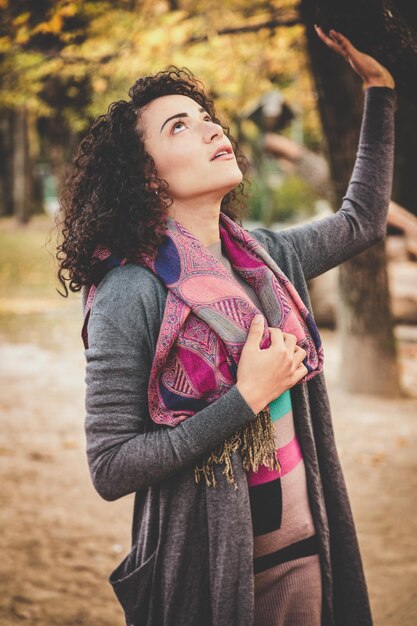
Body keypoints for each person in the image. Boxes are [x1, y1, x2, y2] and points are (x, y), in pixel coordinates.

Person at [57, 25, 396, 626]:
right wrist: (245, 398)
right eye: (178, 127)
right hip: (211, 580)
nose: (213, 128)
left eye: (204, 116)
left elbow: (364, 220)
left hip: (307, 557)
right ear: (147, 177)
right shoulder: (130, 292)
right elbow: (110, 467)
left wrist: (379, 88)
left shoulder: (268, 258)